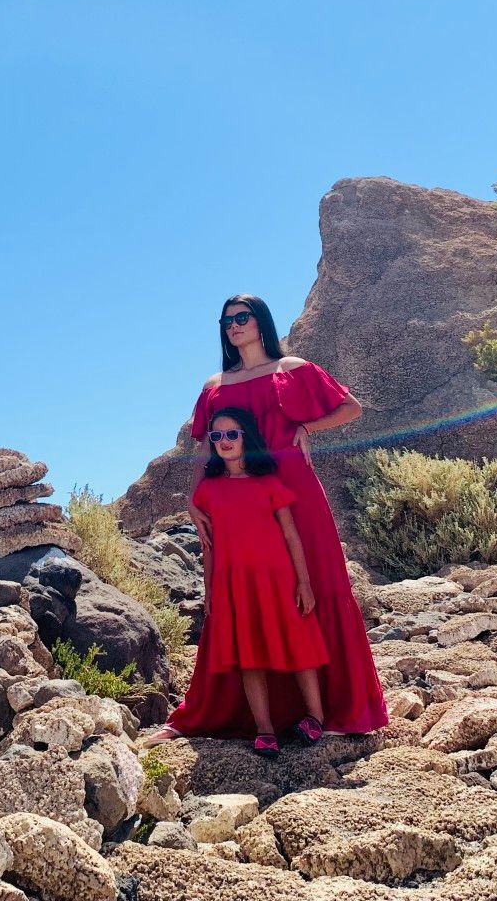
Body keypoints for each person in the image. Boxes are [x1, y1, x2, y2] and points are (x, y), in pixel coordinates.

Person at [152, 294, 389, 741]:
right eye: (227, 321)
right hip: (236, 504)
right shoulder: (215, 385)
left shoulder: (292, 368)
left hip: (297, 492)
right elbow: (204, 447)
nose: (234, 325)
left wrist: (306, 427)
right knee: (242, 595)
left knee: (316, 586)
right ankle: (247, 718)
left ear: (261, 322)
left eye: (242, 317)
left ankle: (336, 711)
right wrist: (194, 499)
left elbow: (351, 408)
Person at [190, 406, 328, 757]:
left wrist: (304, 582)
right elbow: (208, 547)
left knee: (298, 644)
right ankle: (264, 729)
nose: (224, 441)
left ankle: (316, 716)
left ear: (245, 437)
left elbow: (292, 535)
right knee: (248, 654)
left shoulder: (269, 482)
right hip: (234, 583)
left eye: (231, 434)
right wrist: (209, 589)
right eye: (217, 436)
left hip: (279, 579)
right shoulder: (207, 491)